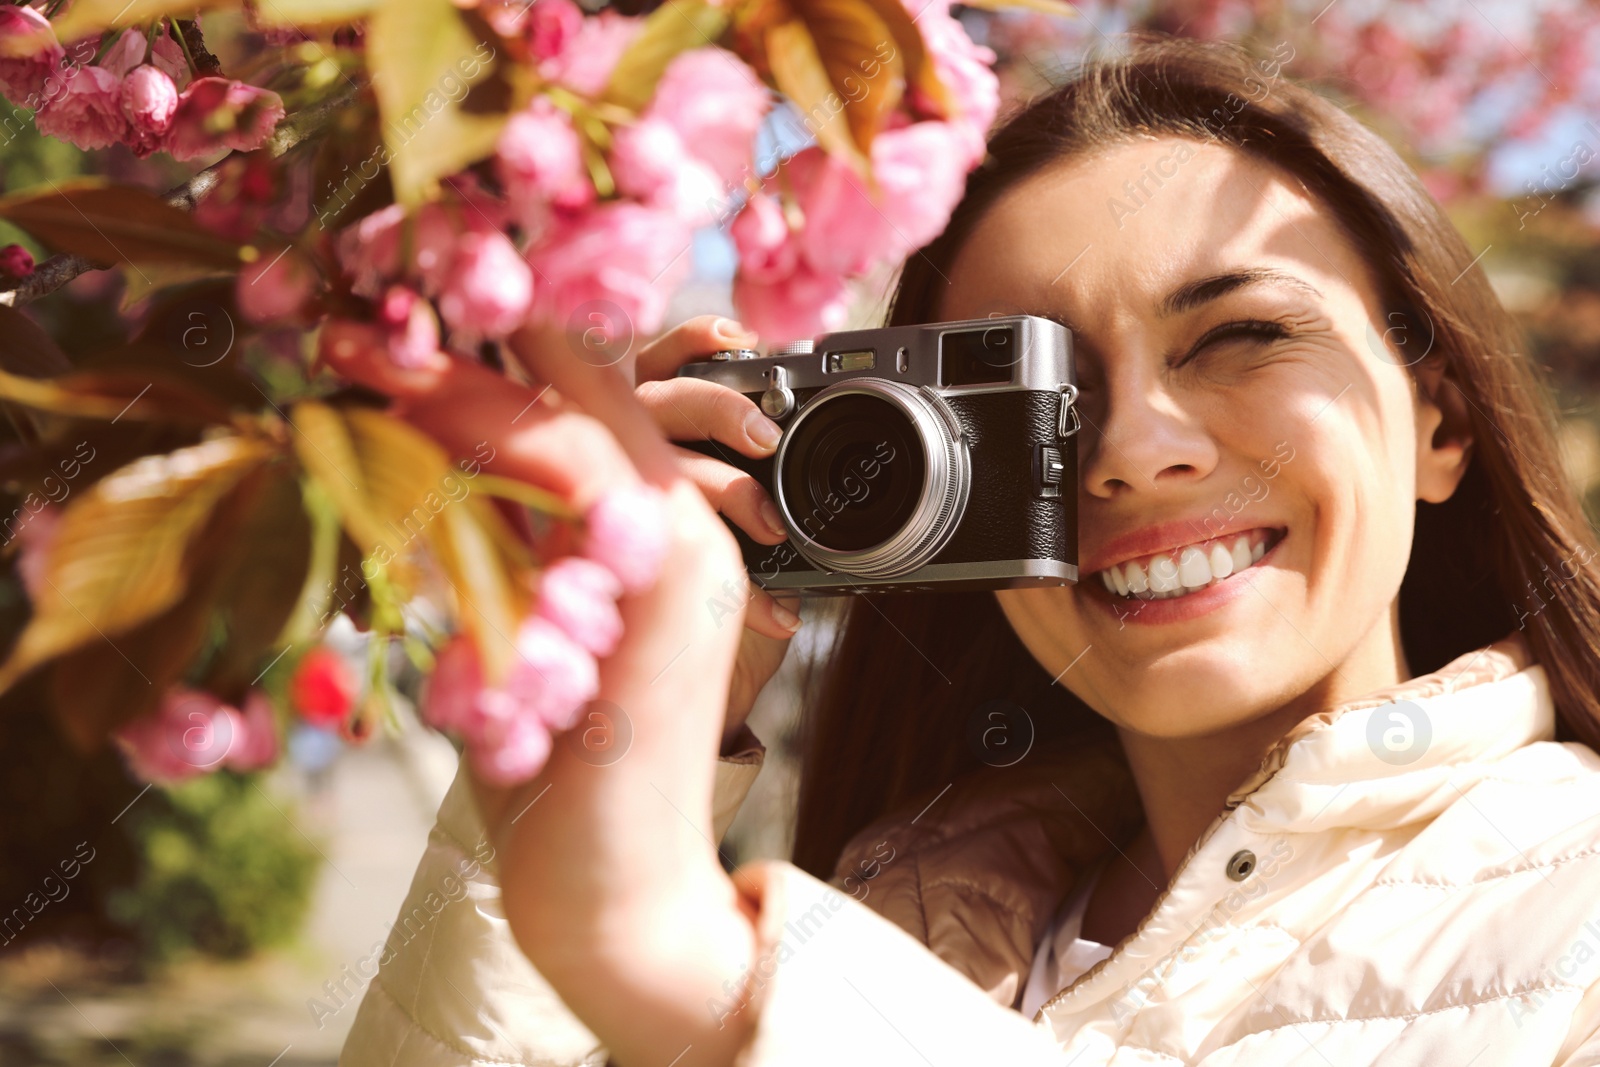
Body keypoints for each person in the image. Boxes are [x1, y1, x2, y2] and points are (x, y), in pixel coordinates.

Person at [331, 35, 1600, 1067]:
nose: (1128, 449)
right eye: (1029, 393)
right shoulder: (889, 907)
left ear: (1439, 422)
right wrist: (588, 754)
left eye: (1241, 334)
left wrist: (687, 967)